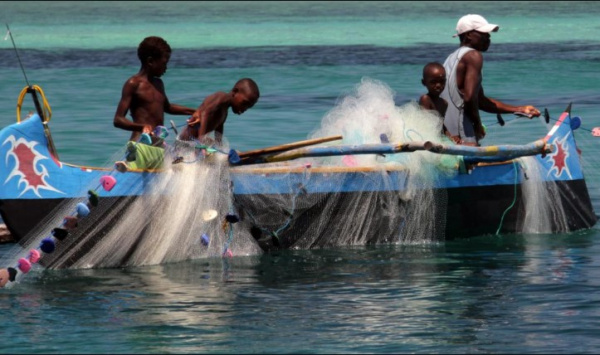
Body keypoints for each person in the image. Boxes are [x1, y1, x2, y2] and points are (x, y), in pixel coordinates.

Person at [440, 14, 541, 146]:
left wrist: (519, 109)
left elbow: (480, 101)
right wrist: (477, 125)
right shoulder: (473, 55)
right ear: (469, 35)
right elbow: (470, 98)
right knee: (472, 164)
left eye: (488, 34)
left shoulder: (451, 58)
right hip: (461, 135)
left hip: (447, 136)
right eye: (484, 33)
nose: (488, 37)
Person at [113, 36, 196, 171]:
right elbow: (118, 120)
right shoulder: (133, 84)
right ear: (150, 61)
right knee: (130, 174)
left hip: (159, 148)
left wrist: (194, 112)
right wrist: (141, 127)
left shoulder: (159, 84)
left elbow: (168, 107)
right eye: (164, 63)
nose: (166, 67)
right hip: (140, 147)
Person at [178, 78, 260, 144]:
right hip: (185, 144)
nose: (244, 109)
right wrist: (201, 143)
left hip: (192, 143)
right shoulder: (221, 97)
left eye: (248, 107)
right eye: (244, 103)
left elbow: (218, 132)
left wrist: (220, 147)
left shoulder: (224, 112)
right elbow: (204, 113)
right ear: (235, 92)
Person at [418, 62, 454, 141]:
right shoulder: (425, 99)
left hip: (435, 138)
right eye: (433, 82)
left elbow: (440, 125)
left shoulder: (444, 103)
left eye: (442, 81)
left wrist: (451, 137)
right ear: (424, 83)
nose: (438, 85)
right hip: (424, 138)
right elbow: (425, 126)